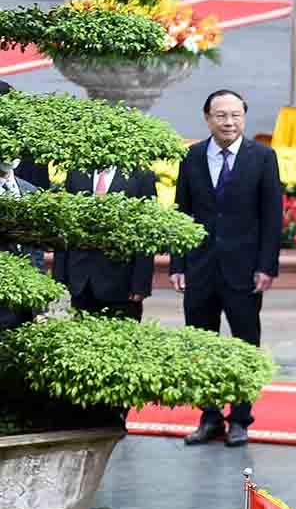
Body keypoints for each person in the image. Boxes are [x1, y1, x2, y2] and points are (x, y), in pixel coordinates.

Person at [170, 89, 282, 447]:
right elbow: (181, 212)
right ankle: (209, 416)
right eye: (221, 115)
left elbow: (272, 217)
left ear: (244, 117)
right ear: (208, 119)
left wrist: (267, 266)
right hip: (200, 268)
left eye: (235, 115)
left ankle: (241, 419)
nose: (228, 122)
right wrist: (177, 262)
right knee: (201, 347)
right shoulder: (192, 157)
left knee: (245, 346)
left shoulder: (262, 157)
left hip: (245, 271)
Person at [53, 163, 156, 319]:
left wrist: (140, 284)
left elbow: (147, 230)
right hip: (82, 279)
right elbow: (64, 224)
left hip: (122, 280)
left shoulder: (141, 175)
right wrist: (59, 276)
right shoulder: (77, 172)